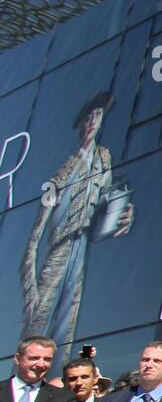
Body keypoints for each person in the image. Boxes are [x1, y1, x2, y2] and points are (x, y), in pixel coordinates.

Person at [20, 92, 133, 367]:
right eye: (89, 117)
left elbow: (106, 198)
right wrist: (30, 287)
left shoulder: (103, 158)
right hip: (60, 245)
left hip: (82, 243)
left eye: (98, 116)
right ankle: (25, 370)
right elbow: (36, 231)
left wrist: (123, 215)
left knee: (68, 318)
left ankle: (59, 373)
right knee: (40, 314)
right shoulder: (64, 170)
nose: (93, 121)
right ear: (80, 124)